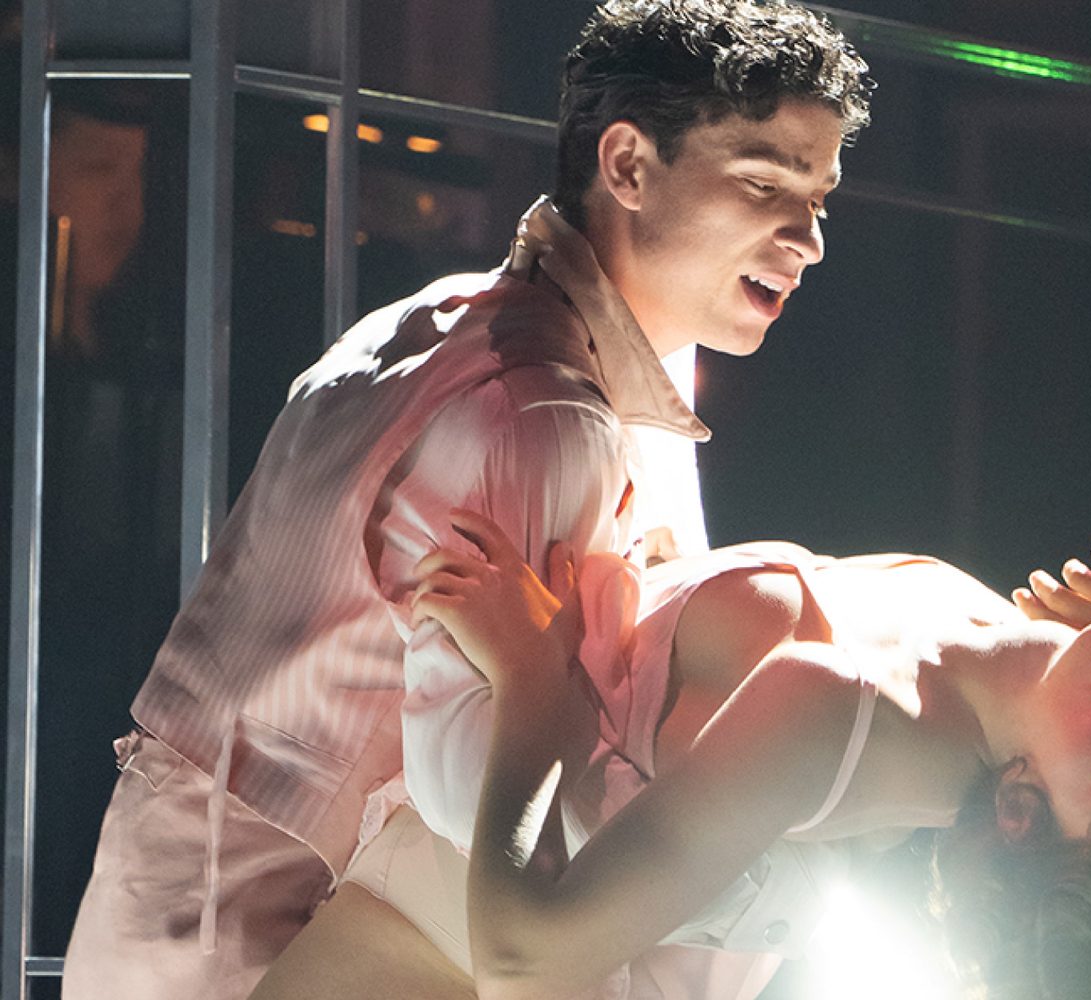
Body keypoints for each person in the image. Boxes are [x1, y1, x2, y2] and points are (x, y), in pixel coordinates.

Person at [60, 4, 872, 999]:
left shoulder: (455, 316)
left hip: (206, 890)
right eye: (763, 184)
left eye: (819, 198)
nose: (809, 239)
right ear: (626, 164)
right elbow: (493, 810)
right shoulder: (538, 408)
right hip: (271, 929)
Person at [248, 513, 1091, 1000]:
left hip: (478, 884)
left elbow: (528, 963)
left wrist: (532, 680)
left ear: (1019, 818)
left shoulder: (846, 711)